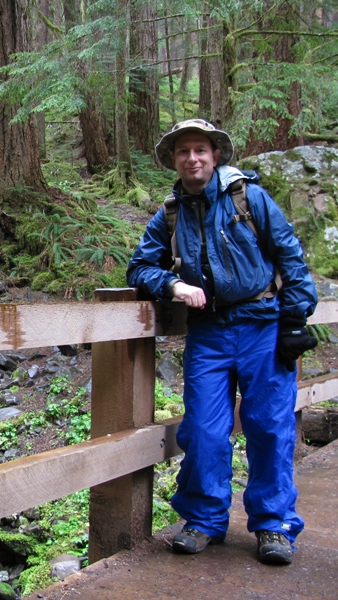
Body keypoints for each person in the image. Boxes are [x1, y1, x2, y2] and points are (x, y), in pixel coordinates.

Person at [126, 119, 319, 565]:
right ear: (174, 160)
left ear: (214, 156)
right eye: (183, 152)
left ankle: (273, 525)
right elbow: (138, 268)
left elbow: (290, 254)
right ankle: (204, 519)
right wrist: (171, 285)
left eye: (200, 150)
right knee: (204, 429)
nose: (192, 158)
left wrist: (293, 321)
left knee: (269, 427)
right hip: (209, 333)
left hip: (263, 327)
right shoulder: (170, 213)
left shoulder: (247, 198)